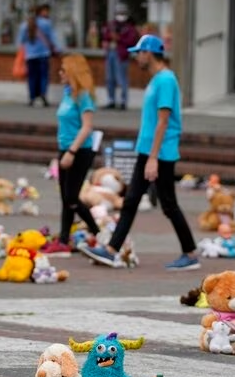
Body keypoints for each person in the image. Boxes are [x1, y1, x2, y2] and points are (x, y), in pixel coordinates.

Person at [81, 35, 200, 271]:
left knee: (167, 204)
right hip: (150, 151)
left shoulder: (165, 80)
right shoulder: (158, 79)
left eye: (139, 52)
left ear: (149, 53)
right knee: (133, 200)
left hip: (160, 153)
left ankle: (190, 253)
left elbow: (163, 122)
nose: (136, 57)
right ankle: (111, 250)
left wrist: (153, 158)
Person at [40, 53, 102, 257]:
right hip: (65, 149)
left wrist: (72, 151)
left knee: (71, 197)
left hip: (79, 151)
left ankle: (97, 232)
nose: (59, 73)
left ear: (73, 72)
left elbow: (87, 127)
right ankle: (64, 239)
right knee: (66, 198)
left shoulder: (83, 96)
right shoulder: (68, 94)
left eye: (63, 70)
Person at [18, 4, 60, 107]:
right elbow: (53, 37)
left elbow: (21, 41)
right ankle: (43, 96)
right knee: (43, 76)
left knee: (32, 77)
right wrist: (58, 49)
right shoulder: (46, 23)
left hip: (30, 55)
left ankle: (32, 98)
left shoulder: (24, 25)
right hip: (43, 54)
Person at [101, 3, 139, 110]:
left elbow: (131, 41)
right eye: (119, 13)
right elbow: (105, 35)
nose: (120, 15)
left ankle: (123, 101)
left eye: (122, 13)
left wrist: (119, 38)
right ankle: (111, 100)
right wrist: (109, 38)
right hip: (111, 53)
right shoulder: (111, 25)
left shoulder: (130, 27)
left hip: (122, 55)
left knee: (122, 79)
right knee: (109, 78)